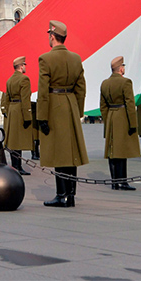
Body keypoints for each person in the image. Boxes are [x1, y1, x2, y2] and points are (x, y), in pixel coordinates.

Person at [37, 20, 89, 208]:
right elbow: (81, 88)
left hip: (54, 105)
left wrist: (41, 116)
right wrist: (78, 110)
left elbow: (43, 91)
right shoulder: (76, 58)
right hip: (71, 105)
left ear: (52, 36)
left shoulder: (45, 59)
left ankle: (61, 195)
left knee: (59, 153)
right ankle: (71, 195)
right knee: (71, 153)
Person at [100, 56, 140, 191]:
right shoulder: (126, 82)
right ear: (121, 68)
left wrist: (107, 121)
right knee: (122, 151)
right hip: (122, 117)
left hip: (111, 116)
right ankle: (122, 181)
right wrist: (133, 124)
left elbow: (103, 106)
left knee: (112, 151)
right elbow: (130, 104)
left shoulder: (104, 83)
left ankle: (114, 182)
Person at [0, 56, 33, 175]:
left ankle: (15, 166)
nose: (25, 67)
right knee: (19, 140)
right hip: (20, 110)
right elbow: (25, 99)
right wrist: (28, 116)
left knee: (13, 140)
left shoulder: (9, 80)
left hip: (12, 110)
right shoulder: (24, 79)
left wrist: (8, 112)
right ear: (21, 66)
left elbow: (7, 98)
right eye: (24, 65)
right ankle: (18, 166)